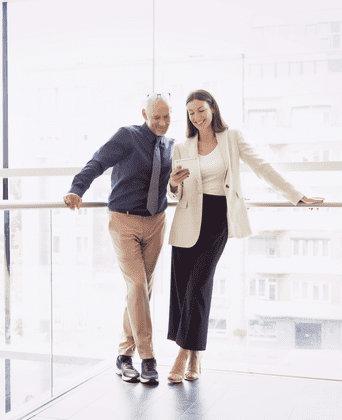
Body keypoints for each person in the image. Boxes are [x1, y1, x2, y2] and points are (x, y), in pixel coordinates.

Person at [165, 89, 323, 383]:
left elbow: (263, 168)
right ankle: (196, 353)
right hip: (187, 221)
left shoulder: (231, 138)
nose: (196, 117)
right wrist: (172, 185)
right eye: (191, 113)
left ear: (213, 108)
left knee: (197, 285)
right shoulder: (182, 146)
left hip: (217, 219)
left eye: (201, 110)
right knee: (183, 289)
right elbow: (176, 192)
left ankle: (182, 354)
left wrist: (297, 195)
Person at [63, 93, 175, 385]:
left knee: (141, 291)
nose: (162, 123)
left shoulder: (172, 146)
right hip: (124, 221)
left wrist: (176, 184)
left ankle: (123, 357)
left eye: (167, 117)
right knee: (137, 285)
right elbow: (98, 162)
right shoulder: (127, 136)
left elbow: (173, 186)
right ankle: (147, 358)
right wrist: (77, 188)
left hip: (156, 222)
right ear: (144, 114)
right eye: (156, 117)